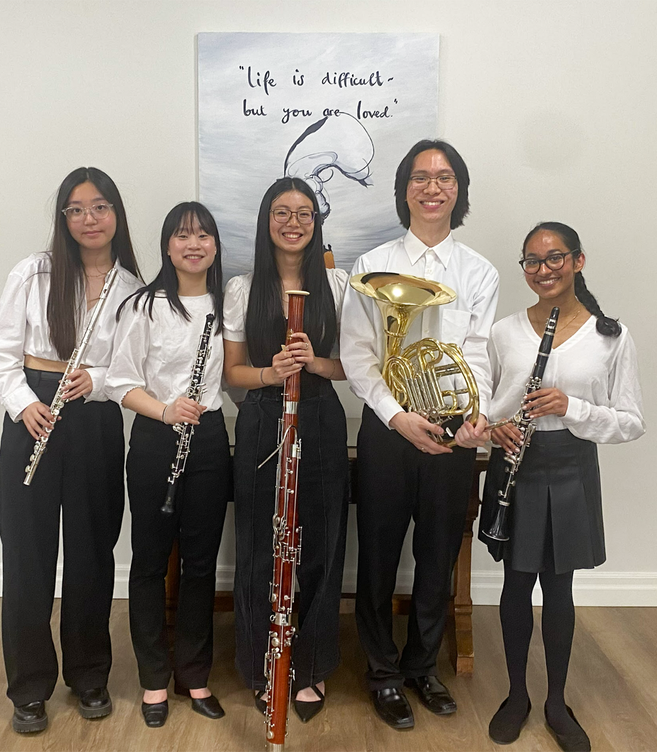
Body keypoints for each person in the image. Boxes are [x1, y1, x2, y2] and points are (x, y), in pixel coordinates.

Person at [340, 139, 499, 729]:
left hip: (453, 433)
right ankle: (381, 670)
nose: (433, 187)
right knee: (378, 554)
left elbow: (478, 354)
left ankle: (421, 666)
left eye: (445, 177)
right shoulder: (372, 264)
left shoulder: (478, 271)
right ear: (404, 189)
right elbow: (358, 355)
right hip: (390, 429)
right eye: (421, 177)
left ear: (458, 190)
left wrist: (473, 413)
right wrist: (397, 415)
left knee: (437, 553)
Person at [0, 167, 142, 733]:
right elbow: (0, 355)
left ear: (116, 214)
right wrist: (24, 403)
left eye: (99, 207)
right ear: (63, 218)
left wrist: (96, 382)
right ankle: (28, 687)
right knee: (27, 557)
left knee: (93, 554)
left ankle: (89, 675)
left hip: (94, 417)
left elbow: (132, 368)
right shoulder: (34, 271)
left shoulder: (132, 287)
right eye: (76, 209)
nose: (89, 219)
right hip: (34, 412)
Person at [479, 222, 645, 752]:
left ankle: (555, 700)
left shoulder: (610, 336)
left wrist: (570, 407)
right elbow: (483, 402)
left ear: (578, 261)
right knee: (514, 583)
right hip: (514, 463)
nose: (543, 269)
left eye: (555, 258)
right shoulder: (505, 331)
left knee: (558, 586)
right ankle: (515, 696)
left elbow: (631, 420)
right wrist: (492, 425)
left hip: (571, 465)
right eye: (531, 260)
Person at [223, 177, 349, 723]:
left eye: (303, 213)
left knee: (320, 543)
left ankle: (313, 665)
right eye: (281, 212)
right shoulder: (240, 288)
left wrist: (314, 361)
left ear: (317, 222)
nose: (293, 222)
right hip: (260, 420)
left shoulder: (341, 285)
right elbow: (232, 373)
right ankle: (262, 664)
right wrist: (271, 373)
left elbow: (357, 368)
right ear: (265, 221)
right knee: (257, 546)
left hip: (320, 415)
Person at [105, 202, 231, 728]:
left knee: (202, 563)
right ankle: (154, 679)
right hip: (158, 438)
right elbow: (118, 381)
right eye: (182, 236)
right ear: (167, 245)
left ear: (216, 246)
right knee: (151, 563)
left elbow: (236, 377)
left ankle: (194, 674)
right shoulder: (144, 306)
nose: (194, 244)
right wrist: (163, 408)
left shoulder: (230, 305)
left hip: (208, 440)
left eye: (203, 235)